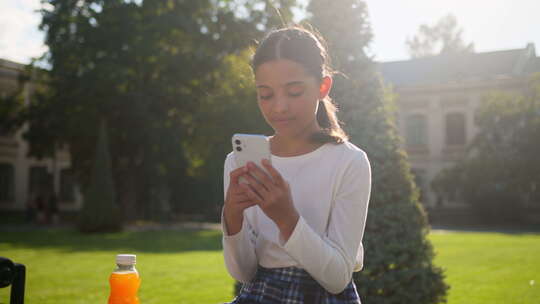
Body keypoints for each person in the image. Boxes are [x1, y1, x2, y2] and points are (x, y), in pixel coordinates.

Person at [221, 26, 372, 304]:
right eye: (266, 95)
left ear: (323, 87)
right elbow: (243, 273)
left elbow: (337, 278)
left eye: (294, 92)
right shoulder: (237, 162)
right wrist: (232, 216)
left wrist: (286, 219)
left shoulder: (348, 162)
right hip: (260, 295)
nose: (279, 107)